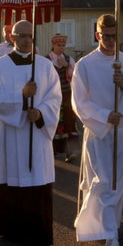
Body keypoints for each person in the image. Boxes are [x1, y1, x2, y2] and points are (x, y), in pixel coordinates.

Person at [0, 20, 62, 246]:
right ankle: (9, 230)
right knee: (9, 178)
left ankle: (38, 238)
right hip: (9, 134)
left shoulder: (45, 66)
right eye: (22, 36)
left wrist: (40, 112)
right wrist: (21, 96)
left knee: (35, 182)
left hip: (35, 136)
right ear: (12, 38)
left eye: (30, 36)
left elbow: (54, 98)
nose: (27, 40)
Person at [71, 14, 123, 246]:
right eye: (107, 36)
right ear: (98, 35)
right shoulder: (84, 65)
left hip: (121, 130)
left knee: (116, 183)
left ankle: (111, 233)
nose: (111, 41)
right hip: (97, 131)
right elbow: (79, 102)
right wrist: (104, 115)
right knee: (99, 181)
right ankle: (95, 225)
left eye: (115, 36)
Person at [47, 34, 78, 162]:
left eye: (63, 45)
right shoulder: (46, 60)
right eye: (59, 45)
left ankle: (69, 152)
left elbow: (75, 76)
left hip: (66, 94)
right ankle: (51, 151)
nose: (61, 48)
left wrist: (67, 66)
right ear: (53, 45)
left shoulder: (68, 59)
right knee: (53, 121)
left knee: (69, 122)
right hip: (52, 95)